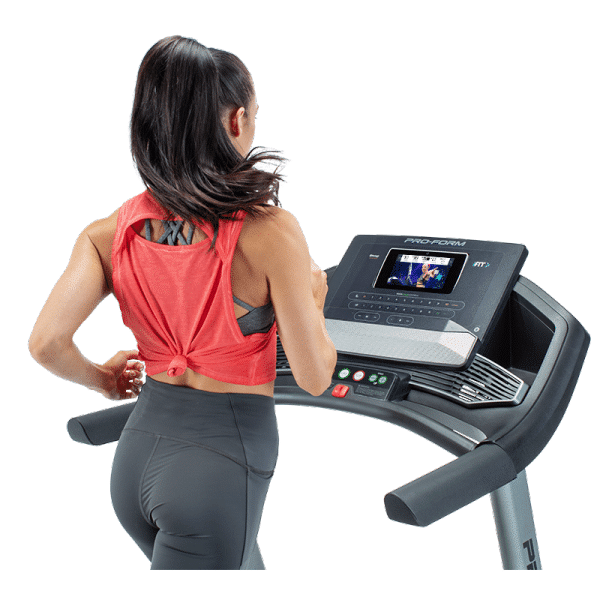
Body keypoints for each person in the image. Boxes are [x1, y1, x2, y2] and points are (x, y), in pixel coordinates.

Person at [29, 35, 337, 570]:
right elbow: (314, 376)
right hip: (217, 472)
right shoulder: (271, 233)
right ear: (237, 121)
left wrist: (104, 381)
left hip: (135, 461)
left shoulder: (108, 232)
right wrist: (314, 301)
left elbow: (47, 344)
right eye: (255, 115)